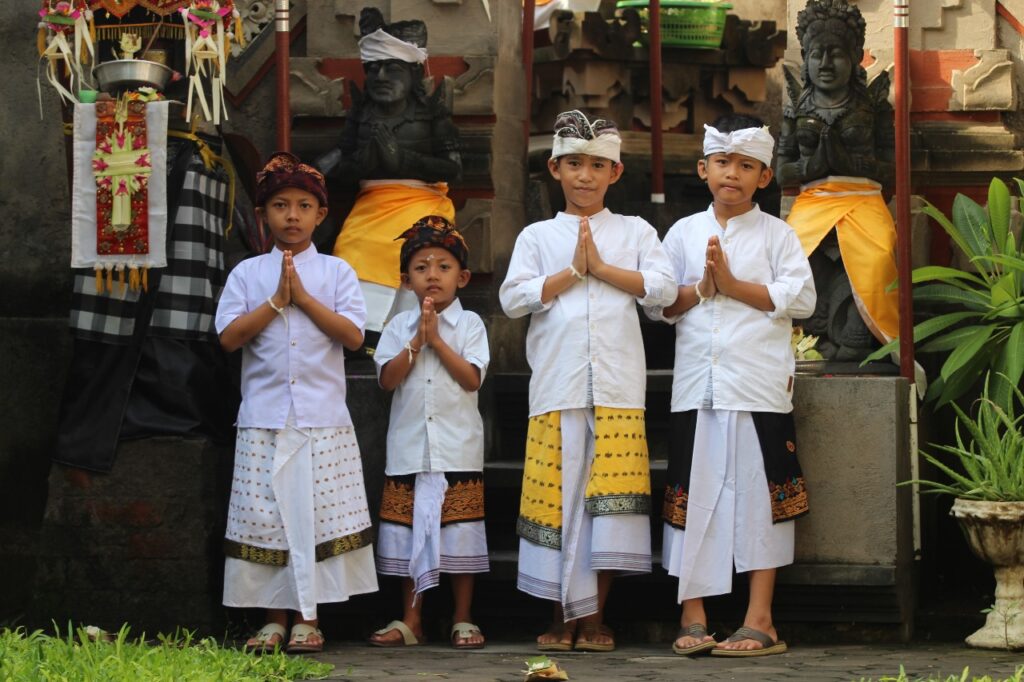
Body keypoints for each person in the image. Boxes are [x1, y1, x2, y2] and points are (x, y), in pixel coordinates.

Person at [499, 110, 676, 652]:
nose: (585, 175)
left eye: (597, 165)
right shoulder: (536, 235)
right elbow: (512, 298)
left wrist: (600, 268)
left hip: (619, 389)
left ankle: (595, 618)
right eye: (574, 164)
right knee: (561, 501)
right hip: (557, 387)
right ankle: (560, 617)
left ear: (615, 174)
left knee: (610, 507)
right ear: (554, 168)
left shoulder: (637, 232)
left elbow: (663, 292)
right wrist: (571, 273)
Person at [651, 115, 815, 657]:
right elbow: (662, 306)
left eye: (747, 165)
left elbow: (803, 299)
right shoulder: (682, 233)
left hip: (758, 387)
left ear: (764, 177)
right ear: (703, 168)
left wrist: (735, 286)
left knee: (758, 500)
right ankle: (692, 614)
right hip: (698, 387)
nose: (733, 174)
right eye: (723, 162)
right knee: (693, 497)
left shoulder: (779, 234)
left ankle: (760, 619)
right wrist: (702, 288)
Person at [215, 152, 378, 653]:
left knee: (314, 515)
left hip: (321, 420)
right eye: (281, 205)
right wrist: (274, 303)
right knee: (269, 515)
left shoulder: (336, 273)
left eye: (303, 206)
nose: (292, 215)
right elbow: (227, 338)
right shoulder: (247, 274)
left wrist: (304, 299)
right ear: (264, 213)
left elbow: (353, 337)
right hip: (264, 417)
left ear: (320, 215)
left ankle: (309, 617)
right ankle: (273, 618)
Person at [367, 216, 490, 650]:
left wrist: (439, 341)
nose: (432, 276)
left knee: (460, 537)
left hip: (456, 449)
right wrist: (417, 342)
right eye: (421, 268)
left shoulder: (471, 324)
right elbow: (387, 380)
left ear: (463, 276)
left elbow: (472, 379)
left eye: (442, 267)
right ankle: (412, 617)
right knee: (407, 538)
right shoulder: (398, 327)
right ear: (405, 280)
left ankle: (462, 617)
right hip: (410, 450)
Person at [320, 9, 461, 348]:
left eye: (392, 68)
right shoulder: (362, 114)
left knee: (418, 251)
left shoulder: (431, 114)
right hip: (370, 205)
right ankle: (365, 333)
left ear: (413, 74)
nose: (381, 76)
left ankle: (413, 331)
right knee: (351, 247)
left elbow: (453, 167)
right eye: (373, 69)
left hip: (423, 204)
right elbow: (337, 161)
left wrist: (404, 159)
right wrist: (357, 164)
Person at [776, 0, 897, 360]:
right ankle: (813, 335)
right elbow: (781, 170)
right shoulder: (798, 106)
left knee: (878, 257)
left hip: (863, 198)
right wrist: (814, 166)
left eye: (836, 54)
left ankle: (863, 333)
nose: (825, 64)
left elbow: (892, 171)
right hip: (813, 199)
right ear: (807, 58)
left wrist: (851, 163)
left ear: (857, 55)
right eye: (816, 54)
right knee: (793, 255)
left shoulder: (873, 106)